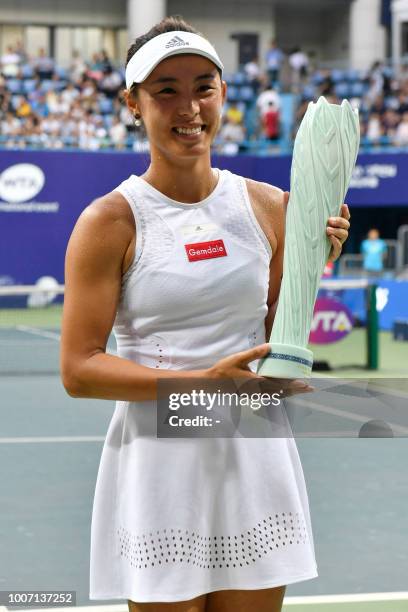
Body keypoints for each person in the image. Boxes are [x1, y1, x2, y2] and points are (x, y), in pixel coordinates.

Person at [60, 16, 351, 612]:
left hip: (254, 456)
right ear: (133, 104)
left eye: (203, 86)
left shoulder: (274, 208)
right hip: (159, 463)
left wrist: (310, 271)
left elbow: (278, 346)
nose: (188, 105)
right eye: (165, 89)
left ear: (223, 95)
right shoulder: (108, 222)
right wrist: (204, 385)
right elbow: (79, 369)